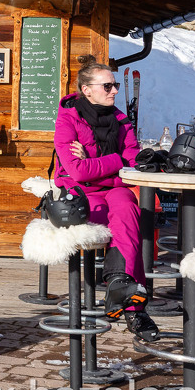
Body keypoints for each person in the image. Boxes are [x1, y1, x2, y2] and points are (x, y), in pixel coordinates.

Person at [53, 56, 159, 341]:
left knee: (128, 210)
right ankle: (134, 310)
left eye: (115, 86)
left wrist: (94, 163)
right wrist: (115, 161)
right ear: (86, 90)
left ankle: (117, 284)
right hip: (81, 193)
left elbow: (133, 164)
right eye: (107, 86)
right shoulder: (68, 118)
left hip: (113, 188)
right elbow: (77, 172)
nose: (114, 91)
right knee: (117, 222)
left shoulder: (121, 120)